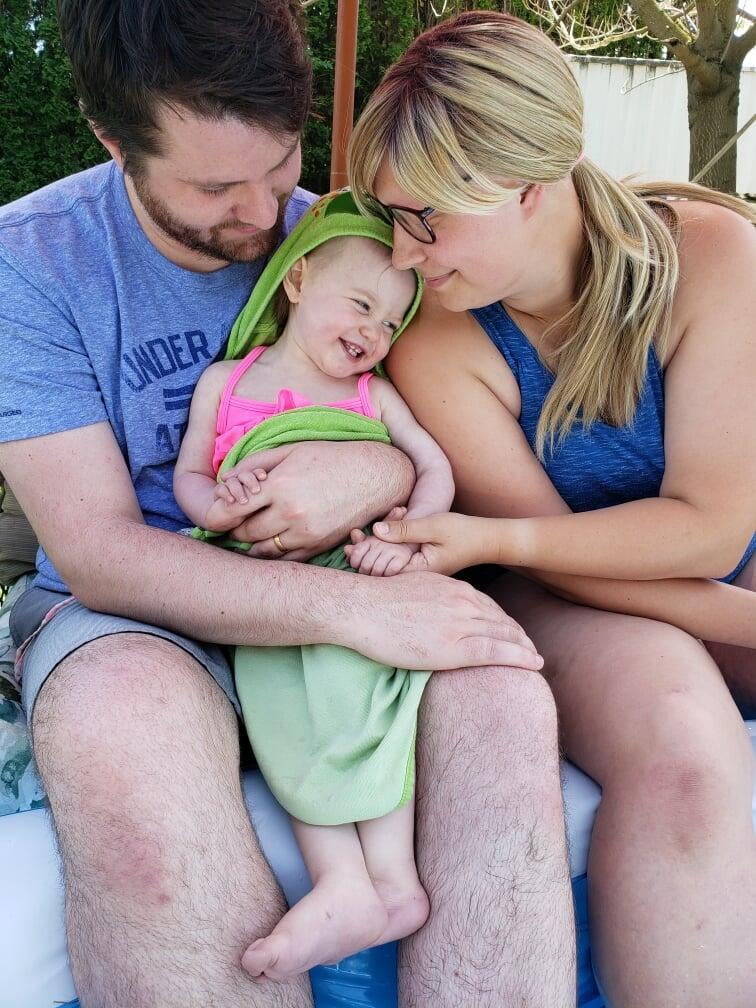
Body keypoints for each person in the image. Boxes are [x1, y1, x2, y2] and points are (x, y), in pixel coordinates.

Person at [0, 4, 573, 1007]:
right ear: (110, 137)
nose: (268, 218)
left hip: (352, 561)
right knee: (123, 730)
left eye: (279, 168)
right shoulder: (29, 264)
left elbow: (427, 430)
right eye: (217, 187)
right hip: (135, 613)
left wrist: (383, 476)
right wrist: (355, 610)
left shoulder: (350, 243)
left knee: (503, 701)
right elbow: (98, 552)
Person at [348, 11, 756, 1008]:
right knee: (682, 743)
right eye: (393, 217)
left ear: (530, 189)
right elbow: (563, 561)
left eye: (426, 219)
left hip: (709, 570)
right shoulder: (442, 337)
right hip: (556, 594)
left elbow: (712, 520)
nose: (402, 258)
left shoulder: (711, 257)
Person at [174, 218, 453, 978]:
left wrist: (402, 538)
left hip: (357, 573)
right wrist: (217, 506)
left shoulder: (376, 395)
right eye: (360, 304)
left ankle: (392, 881)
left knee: (374, 710)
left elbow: (434, 469)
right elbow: (193, 479)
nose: (375, 330)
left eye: (392, 321)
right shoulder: (225, 382)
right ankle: (345, 882)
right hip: (262, 587)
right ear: (297, 281)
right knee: (283, 718)